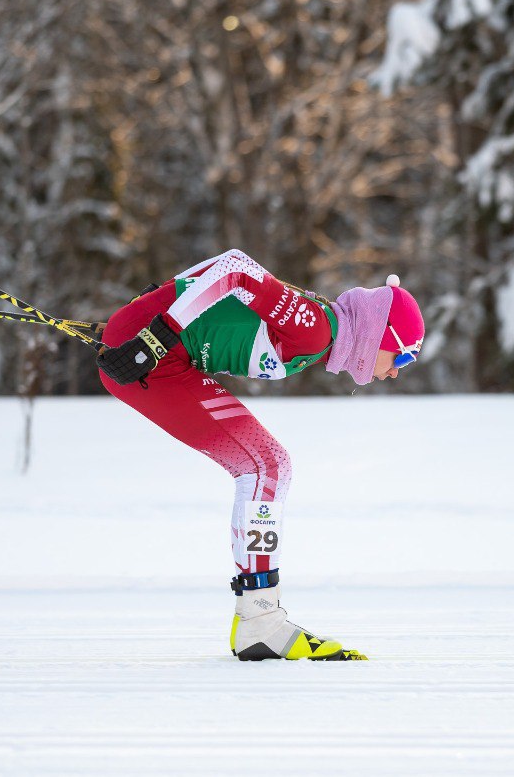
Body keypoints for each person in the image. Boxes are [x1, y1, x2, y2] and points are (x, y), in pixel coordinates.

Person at [97, 249, 424, 662]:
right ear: (378, 333)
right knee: (266, 467)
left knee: (267, 465)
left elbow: (227, 273)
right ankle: (260, 621)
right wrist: (161, 328)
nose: (397, 371)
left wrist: (163, 303)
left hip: (154, 352)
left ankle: (260, 618)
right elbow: (236, 267)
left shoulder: (318, 331)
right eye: (403, 356)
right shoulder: (315, 330)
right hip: (153, 361)